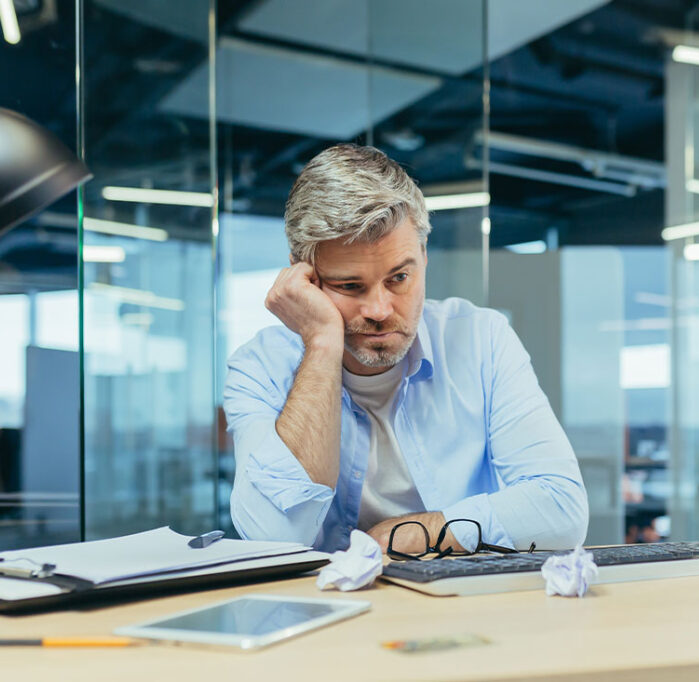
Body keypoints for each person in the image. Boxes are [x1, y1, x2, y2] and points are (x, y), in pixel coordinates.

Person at [224, 143, 588, 555]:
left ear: (424, 257)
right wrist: (322, 343)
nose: (379, 310)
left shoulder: (482, 340)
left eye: (399, 278)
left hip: (459, 603)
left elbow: (562, 508)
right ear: (303, 274)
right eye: (350, 286)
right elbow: (274, 537)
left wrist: (428, 529)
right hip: (324, 610)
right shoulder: (259, 368)